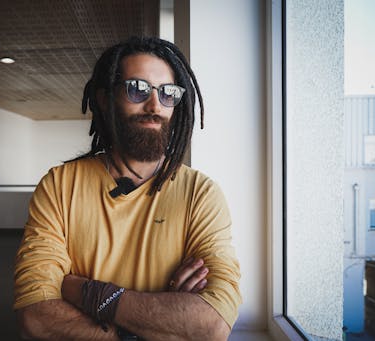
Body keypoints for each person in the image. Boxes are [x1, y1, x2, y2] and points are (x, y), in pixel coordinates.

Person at [14, 36, 242, 340]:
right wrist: (153, 326)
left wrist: (86, 292)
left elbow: (211, 323)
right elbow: (37, 314)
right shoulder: (59, 186)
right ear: (106, 99)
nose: (154, 105)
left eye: (167, 93)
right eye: (138, 89)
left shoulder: (200, 194)